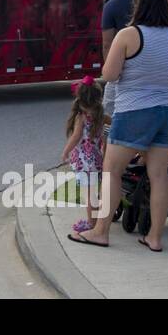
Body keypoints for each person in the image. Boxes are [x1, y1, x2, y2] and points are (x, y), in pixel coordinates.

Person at [70, 0, 168, 252]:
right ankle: (155, 237)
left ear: (138, 7)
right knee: (159, 174)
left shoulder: (129, 35)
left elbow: (111, 74)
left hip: (136, 110)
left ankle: (101, 231)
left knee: (112, 171)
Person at [100, 0, 145, 122]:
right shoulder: (155, 0)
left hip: (124, 66)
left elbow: (107, 43)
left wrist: (110, 69)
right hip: (151, 65)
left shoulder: (113, 5)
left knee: (109, 116)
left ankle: (110, 146)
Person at [61, 76, 105, 235]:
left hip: (83, 160)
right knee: (94, 191)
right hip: (96, 158)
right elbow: (105, 137)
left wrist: (66, 151)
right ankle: (95, 219)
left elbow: (77, 136)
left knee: (88, 193)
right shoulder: (100, 114)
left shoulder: (81, 116)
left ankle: (91, 223)